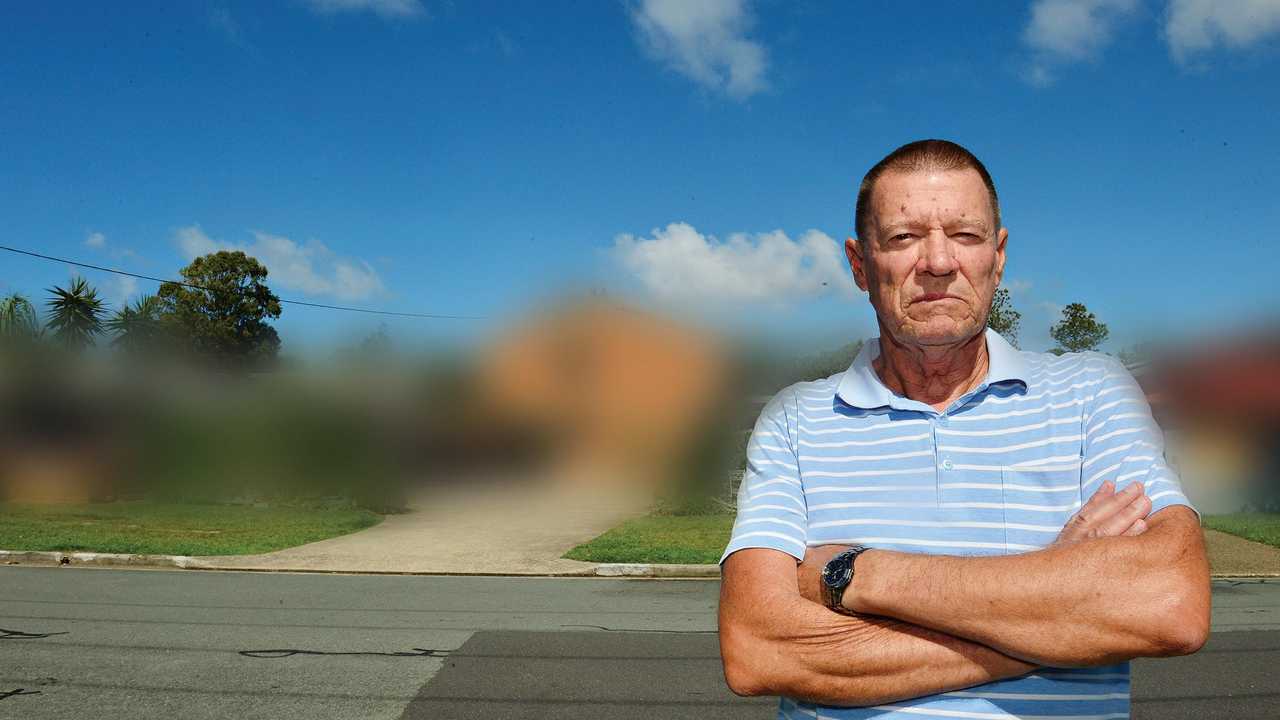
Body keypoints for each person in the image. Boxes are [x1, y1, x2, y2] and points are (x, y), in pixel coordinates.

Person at [717, 139, 1210, 719]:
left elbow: (1170, 602)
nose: (938, 263)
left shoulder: (1091, 391)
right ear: (859, 265)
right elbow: (757, 650)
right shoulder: (794, 418)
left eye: (966, 236)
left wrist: (854, 573)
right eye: (903, 238)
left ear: (997, 257)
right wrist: (1053, 612)